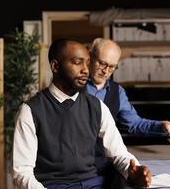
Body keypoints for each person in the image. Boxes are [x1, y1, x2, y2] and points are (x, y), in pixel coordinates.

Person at [12, 38, 151, 189]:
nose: (85, 69)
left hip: (93, 184)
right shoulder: (30, 110)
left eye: (87, 62)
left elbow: (119, 154)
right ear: (55, 66)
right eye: (78, 62)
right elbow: (22, 172)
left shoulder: (97, 106)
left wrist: (133, 171)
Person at [86, 38, 170, 142]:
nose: (105, 71)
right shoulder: (73, 86)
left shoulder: (118, 92)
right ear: (90, 57)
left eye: (112, 67)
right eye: (102, 63)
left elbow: (135, 124)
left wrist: (162, 126)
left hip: (101, 155)